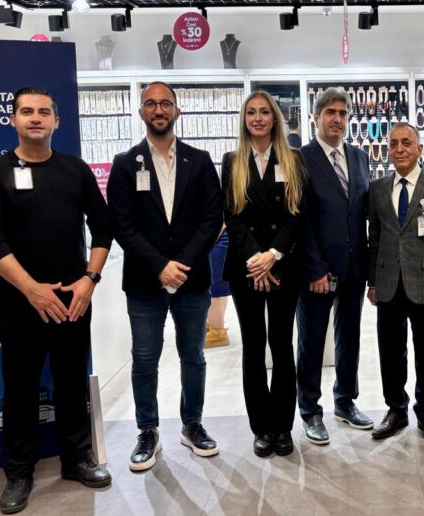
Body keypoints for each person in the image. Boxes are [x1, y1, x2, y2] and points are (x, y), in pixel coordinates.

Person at [0, 87, 113, 514]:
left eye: (44, 112)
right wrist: (31, 289)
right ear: (13, 119)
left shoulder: (75, 170)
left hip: (72, 299)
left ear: (56, 121)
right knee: (20, 388)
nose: (36, 118)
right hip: (20, 303)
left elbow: (103, 227)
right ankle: (18, 473)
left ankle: (77, 459)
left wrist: (89, 280)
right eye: (27, 111)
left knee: (72, 382)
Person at [107, 81, 224, 472]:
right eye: (151, 104)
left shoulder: (200, 161)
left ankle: (192, 425)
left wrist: (182, 265)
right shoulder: (126, 163)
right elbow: (122, 225)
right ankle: (147, 431)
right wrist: (159, 265)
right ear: (141, 111)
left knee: (193, 355)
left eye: (165, 104)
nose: (158, 110)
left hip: (192, 279)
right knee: (144, 359)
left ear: (177, 110)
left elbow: (212, 219)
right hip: (144, 281)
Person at [221, 91, 307, 458]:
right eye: (251, 112)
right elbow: (232, 215)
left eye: (264, 112)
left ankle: (283, 427)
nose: (257, 118)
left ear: (275, 118)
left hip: (283, 266)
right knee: (253, 347)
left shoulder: (293, 158)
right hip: (247, 268)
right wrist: (255, 258)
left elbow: (297, 214)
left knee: (282, 345)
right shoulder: (232, 161)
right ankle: (261, 427)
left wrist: (272, 255)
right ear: (244, 119)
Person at [367, 122, 424, 444]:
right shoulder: (378, 188)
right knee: (390, 352)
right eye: (393, 144)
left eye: (406, 143)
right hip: (388, 283)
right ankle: (396, 409)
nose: (399, 149)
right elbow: (374, 238)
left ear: (420, 149)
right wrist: (372, 282)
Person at [297, 87, 374, 445]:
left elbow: (362, 214)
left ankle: (345, 401)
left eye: (343, 113)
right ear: (315, 117)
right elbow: (300, 219)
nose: (337, 119)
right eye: (330, 112)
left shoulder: (359, 158)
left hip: (354, 266)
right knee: (312, 341)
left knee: (350, 338)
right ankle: (310, 410)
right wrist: (314, 268)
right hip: (318, 270)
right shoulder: (301, 159)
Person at [204, 227, 231, 348]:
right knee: (218, 289)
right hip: (219, 237)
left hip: (216, 237)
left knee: (213, 290)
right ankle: (215, 326)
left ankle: (217, 332)